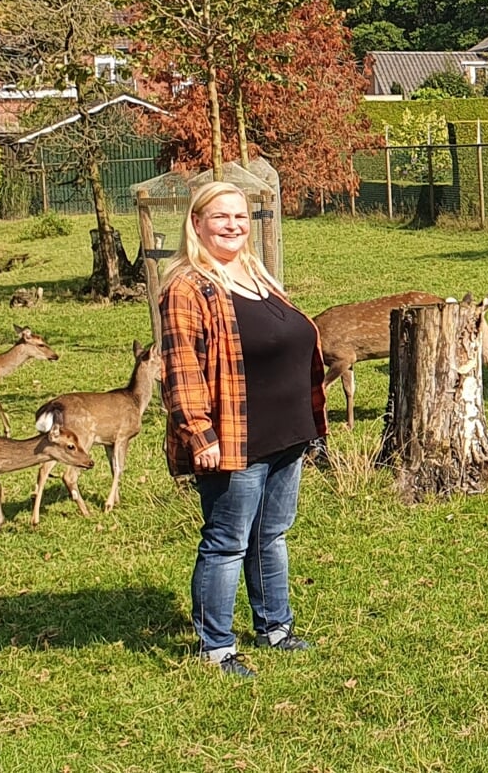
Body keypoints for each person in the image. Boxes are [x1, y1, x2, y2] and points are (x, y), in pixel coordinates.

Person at [160, 181, 328, 675]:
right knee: (227, 541)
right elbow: (181, 368)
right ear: (197, 224)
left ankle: (275, 627)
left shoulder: (256, 274)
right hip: (233, 437)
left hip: (287, 430)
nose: (232, 225)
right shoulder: (189, 286)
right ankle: (216, 647)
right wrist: (198, 433)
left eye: (239, 216)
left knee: (271, 534)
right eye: (220, 217)